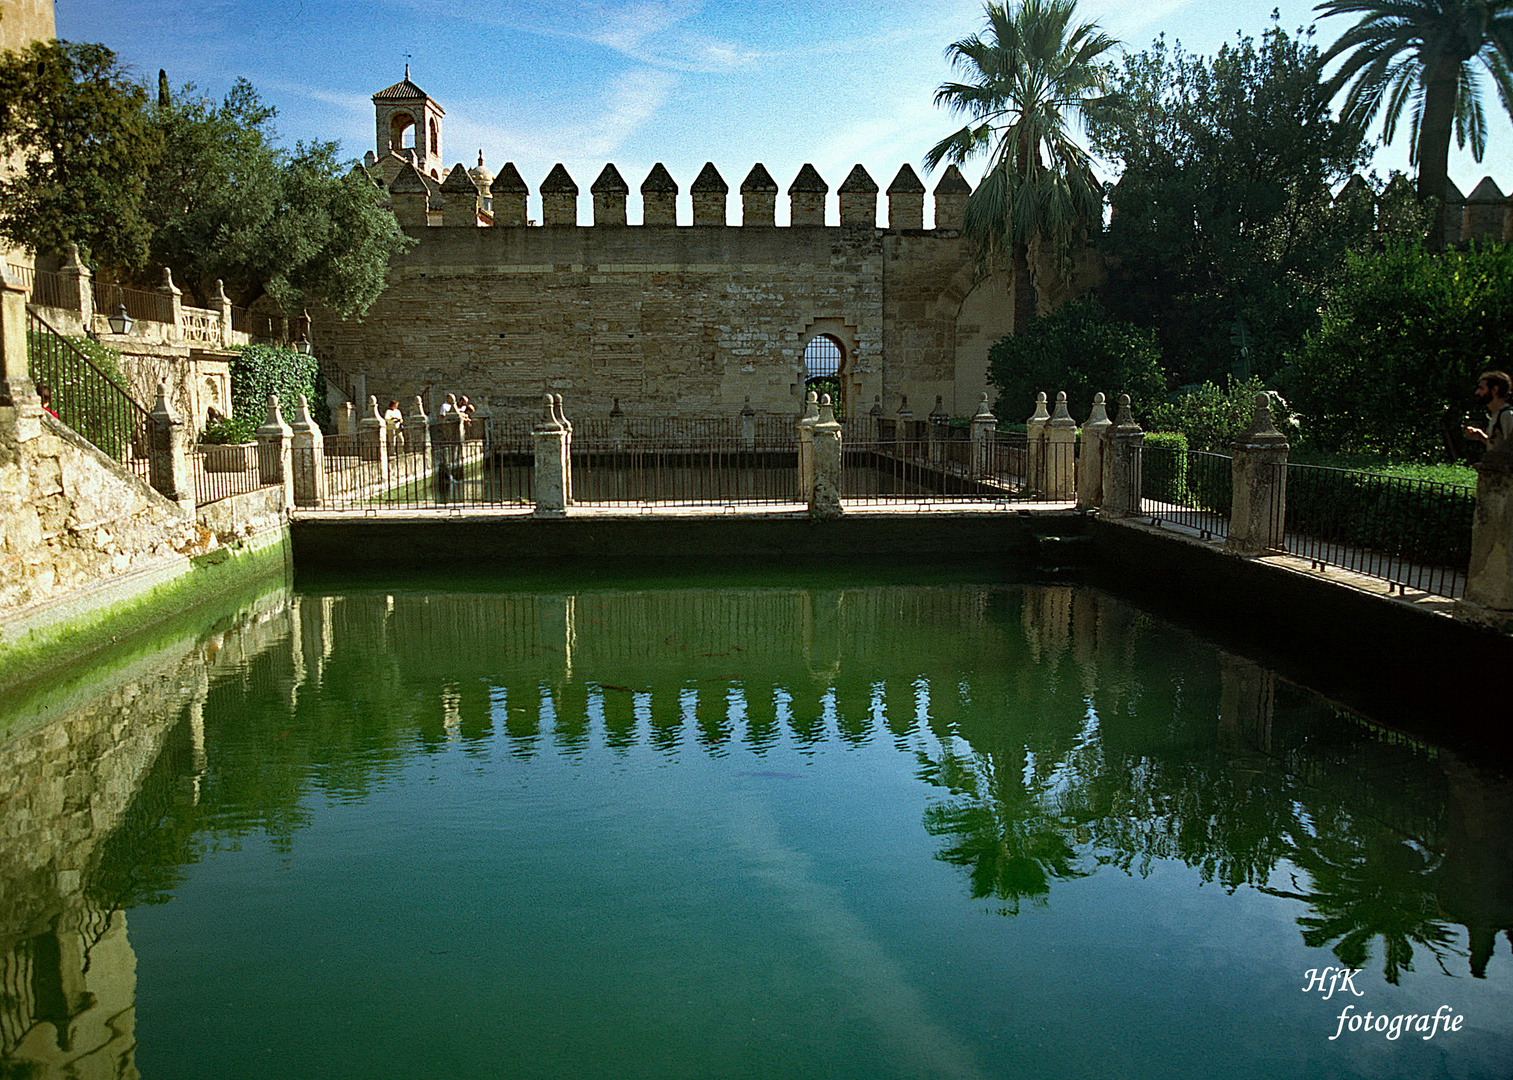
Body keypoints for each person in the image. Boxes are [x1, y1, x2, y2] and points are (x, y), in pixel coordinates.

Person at [1465, 370, 1513, 453]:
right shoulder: (1496, 414)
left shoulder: (1507, 415)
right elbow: (1498, 447)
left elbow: (1509, 450)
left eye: (1482, 389)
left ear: (1495, 390)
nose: (1477, 392)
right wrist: (1481, 436)